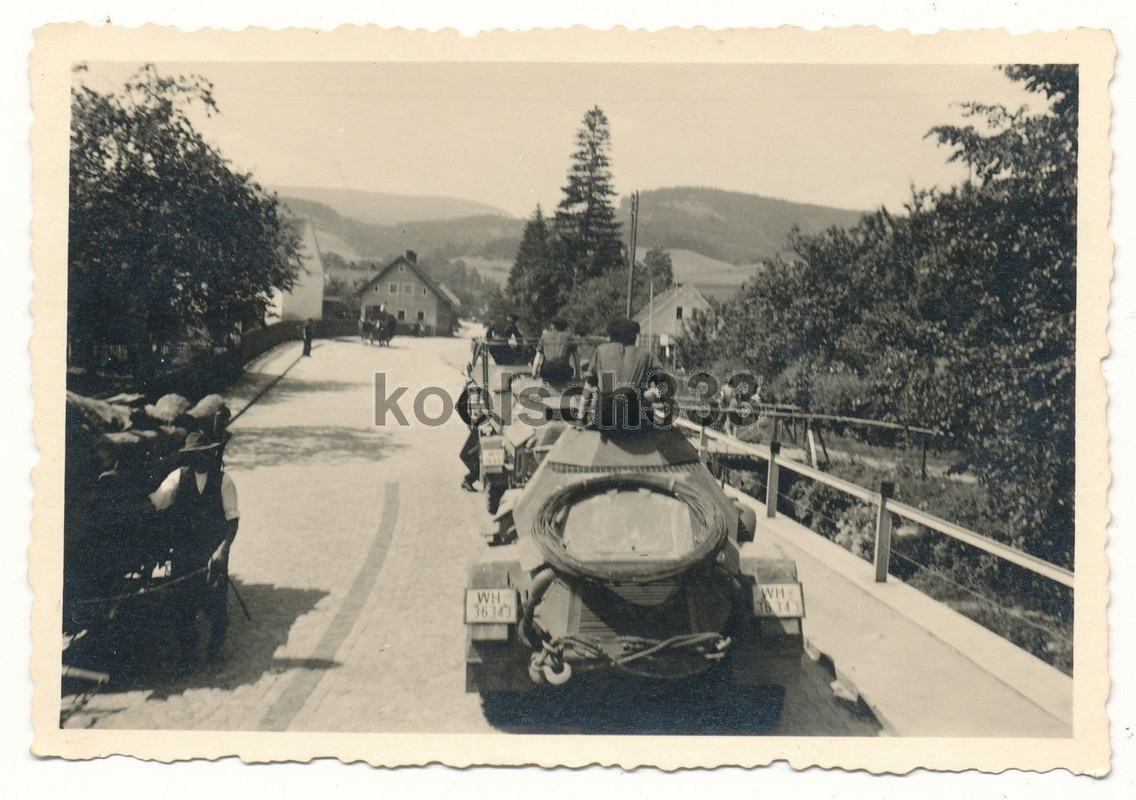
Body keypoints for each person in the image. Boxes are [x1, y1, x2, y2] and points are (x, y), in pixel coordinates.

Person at [150, 431, 239, 674]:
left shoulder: (224, 481)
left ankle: (215, 650)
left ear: (210, 453)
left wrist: (222, 551)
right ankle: (188, 654)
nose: (198, 458)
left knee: (216, 606)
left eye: (203, 453)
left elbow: (232, 521)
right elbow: (157, 502)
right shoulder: (178, 477)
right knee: (183, 606)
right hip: (184, 553)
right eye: (192, 454)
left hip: (212, 555)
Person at [583, 318, 665, 432]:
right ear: (634, 337)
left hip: (606, 421)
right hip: (635, 422)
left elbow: (588, 386)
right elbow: (659, 388)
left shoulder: (601, 351)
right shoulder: (647, 355)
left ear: (611, 337)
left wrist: (581, 416)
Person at [534, 317, 579, 388]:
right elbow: (576, 357)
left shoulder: (544, 336)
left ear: (552, 325)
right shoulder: (569, 336)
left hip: (547, 369)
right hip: (562, 369)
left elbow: (538, 356)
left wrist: (534, 371)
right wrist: (578, 374)